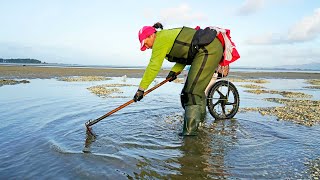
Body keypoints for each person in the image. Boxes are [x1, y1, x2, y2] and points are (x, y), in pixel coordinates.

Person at [133, 22, 224, 136]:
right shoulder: (164, 38)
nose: (146, 47)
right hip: (201, 52)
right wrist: (174, 71)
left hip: (208, 49)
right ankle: (200, 125)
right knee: (188, 93)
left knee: (192, 91)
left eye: (145, 43)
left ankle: (190, 135)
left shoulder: (160, 39)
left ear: (151, 35)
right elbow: (185, 55)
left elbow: (153, 66)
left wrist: (141, 89)